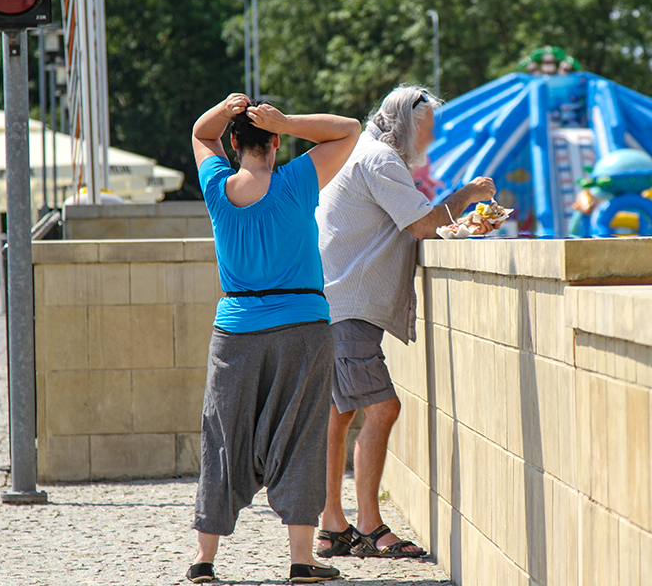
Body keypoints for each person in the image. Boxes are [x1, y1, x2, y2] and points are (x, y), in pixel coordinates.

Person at [315, 85, 497, 559]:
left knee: (340, 414)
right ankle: (371, 527)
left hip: (333, 302)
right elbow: (420, 225)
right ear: (408, 124)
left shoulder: (364, 153)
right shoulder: (379, 160)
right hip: (348, 307)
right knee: (383, 408)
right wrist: (470, 195)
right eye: (428, 129)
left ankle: (331, 525)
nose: (431, 139)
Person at [187, 93, 361, 584]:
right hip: (302, 325)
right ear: (277, 141)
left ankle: (204, 561)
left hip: (235, 329)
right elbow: (349, 128)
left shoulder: (217, 188)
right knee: (303, 435)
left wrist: (223, 109)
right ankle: (301, 561)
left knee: (223, 438)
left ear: (235, 143)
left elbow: (202, 134)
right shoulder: (296, 182)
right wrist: (288, 118)